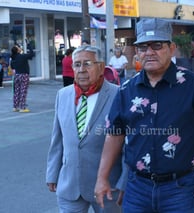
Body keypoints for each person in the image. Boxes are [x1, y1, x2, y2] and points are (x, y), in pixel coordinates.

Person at [94, 18, 194, 212]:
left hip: (179, 188)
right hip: (136, 187)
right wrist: (102, 178)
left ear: (171, 48)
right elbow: (115, 134)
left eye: (157, 45)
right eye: (142, 47)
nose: (149, 52)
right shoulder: (126, 90)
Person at [46, 45, 127, 213]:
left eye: (87, 63)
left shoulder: (119, 95)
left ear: (101, 67)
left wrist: (124, 183)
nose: (81, 70)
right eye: (77, 64)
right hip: (70, 184)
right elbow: (58, 138)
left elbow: (128, 144)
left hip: (108, 187)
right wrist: (52, 173)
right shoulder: (63, 95)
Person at [10, 42, 35, 112]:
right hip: (24, 75)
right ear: (17, 50)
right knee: (23, 91)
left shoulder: (13, 58)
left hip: (17, 75)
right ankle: (22, 107)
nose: (20, 48)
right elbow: (32, 54)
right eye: (18, 48)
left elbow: (12, 67)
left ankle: (15, 106)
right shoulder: (22, 56)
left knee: (17, 91)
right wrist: (29, 45)